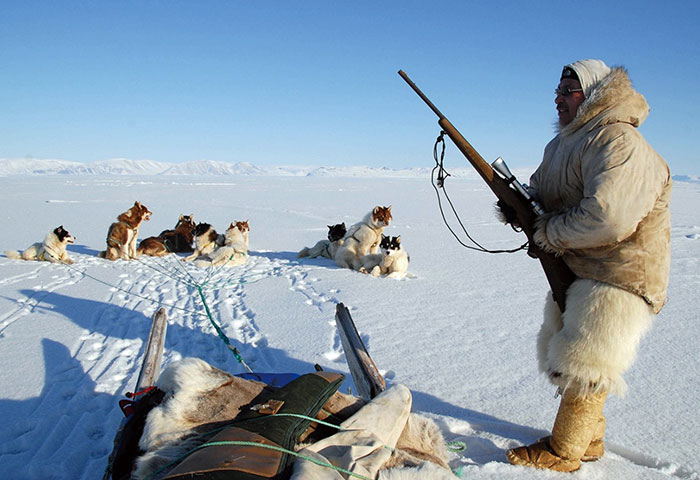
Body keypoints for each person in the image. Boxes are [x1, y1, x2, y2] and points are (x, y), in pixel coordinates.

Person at [504, 59, 672, 472]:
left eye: (569, 90)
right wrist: (517, 207)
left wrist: (548, 232)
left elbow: (609, 217)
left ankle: (565, 451)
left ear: (595, 94)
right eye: (558, 90)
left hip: (622, 272)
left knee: (588, 360)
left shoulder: (619, 141)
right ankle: (590, 440)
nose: (558, 98)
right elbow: (542, 191)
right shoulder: (563, 144)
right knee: (568, 348)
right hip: (581, 266)